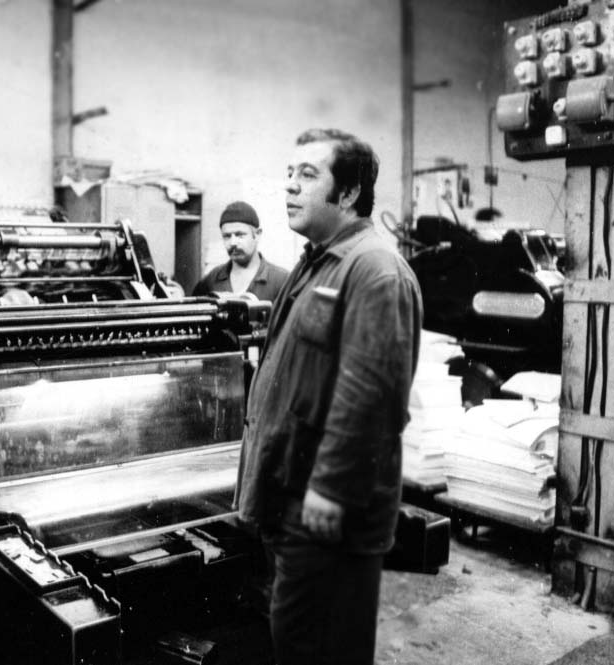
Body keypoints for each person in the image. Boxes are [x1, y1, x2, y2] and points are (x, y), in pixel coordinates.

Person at [236, 128, 422, 665]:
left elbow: (371, 396)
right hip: (292, 501)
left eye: (308, 175)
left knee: (318, 647)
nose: (290, 186)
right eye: (289, 174)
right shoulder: (318, 262)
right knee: (299, 640)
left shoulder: (373, 270)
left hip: (325, 513)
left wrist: (330, 491)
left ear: (349, 193)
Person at [191, 201, 290, 302]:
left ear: (257, 234)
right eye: (227, 236)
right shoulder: (211, 280)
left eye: (239, 235)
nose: (233, 242)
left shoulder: (282, 280)